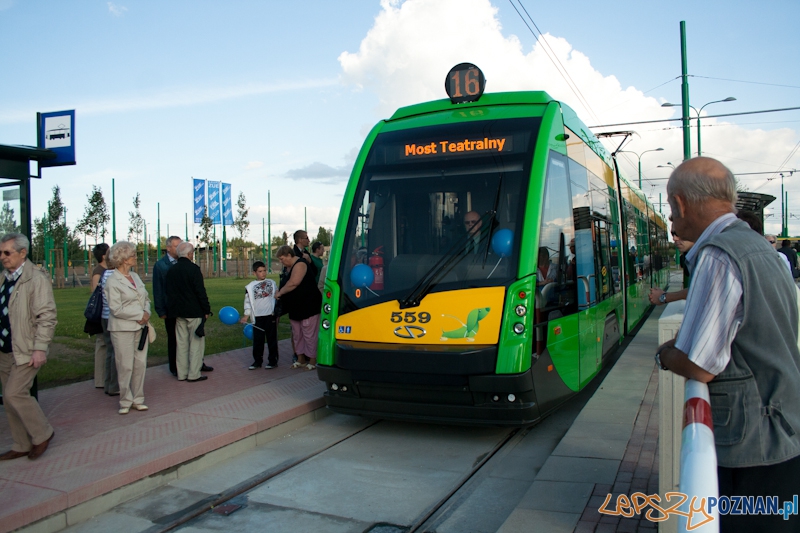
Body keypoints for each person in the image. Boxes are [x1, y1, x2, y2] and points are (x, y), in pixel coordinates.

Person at [655, 157, 800, 533]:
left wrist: (667, 354)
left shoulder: (718, 254)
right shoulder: (756, 245)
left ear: (681, 203)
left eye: (671, 211)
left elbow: (701, 364)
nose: (671, 221)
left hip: (752, 439)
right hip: (781, 428)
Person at [0, 233, 57, 461]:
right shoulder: (4, 278)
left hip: (26, 349)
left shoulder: (36, 279)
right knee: (8, 396)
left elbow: (47, 316)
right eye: (0, 252)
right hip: (5, 349)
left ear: (22, 253)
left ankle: (43, 433)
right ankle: (21, 443)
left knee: (15, 393)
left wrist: (40, 348)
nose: (2, 257)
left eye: (7, 252)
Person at [105, 241, 151, 415]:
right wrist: (139, 315)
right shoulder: (112, 281)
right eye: (132, 255)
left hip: (141, 328)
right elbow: (116, 309)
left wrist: (146, 312)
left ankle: (138, 398)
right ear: (123, 259)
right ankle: (125, 400)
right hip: (122, 329)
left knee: (140, 364)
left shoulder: (136, 277)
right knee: (125, 365)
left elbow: (145, 298)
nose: (135, 258)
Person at [166, 242, 212, 382]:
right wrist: (206, 309)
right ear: (190, 254)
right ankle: (194, 374)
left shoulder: (171, 270)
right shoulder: (193, 269)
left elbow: (169, 292)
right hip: (194, 311)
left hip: (178, 312)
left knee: (181, 344)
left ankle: (182, 373)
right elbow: (200, 291)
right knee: (196, 344)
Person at [275, 245, 322, 370]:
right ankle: (300, 358)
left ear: (289, 255)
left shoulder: (300, 264)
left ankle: (312, 360)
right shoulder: (287, 268)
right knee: (297, 333)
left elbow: (294, 282)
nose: (281, 262)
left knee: (309, 333)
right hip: (295, 306)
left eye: (282, 258)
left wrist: (280, 292)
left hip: (309, 305)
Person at [240, 261, 279, 369]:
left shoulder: (272, 283)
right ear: (254, 273)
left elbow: (277, 294)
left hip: (270, 316)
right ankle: (257, 361)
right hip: (257, 317)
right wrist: (246, 316)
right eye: (260, 271)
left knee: (271, 339)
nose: (263, 273)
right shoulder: (250, 287)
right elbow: (247, 302)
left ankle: (272, 361)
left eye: (264, 271)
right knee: (258, 341)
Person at [153, 236, 181, 377]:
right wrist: (161, 310)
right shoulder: (160, 265)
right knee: (173, 338)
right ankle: (174, 366)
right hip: (170, 308)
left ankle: (195, 363)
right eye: (177, 246)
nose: (180, 248)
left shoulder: (183, 262)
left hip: (185, 307)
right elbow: (157, 289)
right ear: (168, 248)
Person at [648, 230, 692, 305]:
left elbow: (699, 289)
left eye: (678, 233)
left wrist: (663, 297)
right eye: (673, 234)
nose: (674, 238)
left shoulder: (709, 256)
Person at [91, 243, 109, 388]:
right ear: (104, 256)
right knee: (102, 344)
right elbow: (95, 294)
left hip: (107, 313)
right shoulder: (99, 272)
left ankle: (106, 376)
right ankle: (100, 379)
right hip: (101, 313)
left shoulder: (107, 270)